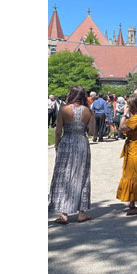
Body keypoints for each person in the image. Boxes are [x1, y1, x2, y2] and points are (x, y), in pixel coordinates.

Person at [48, 85, 95, 224]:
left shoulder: (63, 109)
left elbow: (58, 131)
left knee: (63, 174)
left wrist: (57, 145)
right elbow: (92, 132)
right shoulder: (88, 111)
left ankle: (64, 214)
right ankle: (81, 213)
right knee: (82, 174)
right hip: (81, 143)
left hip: (67, 142)